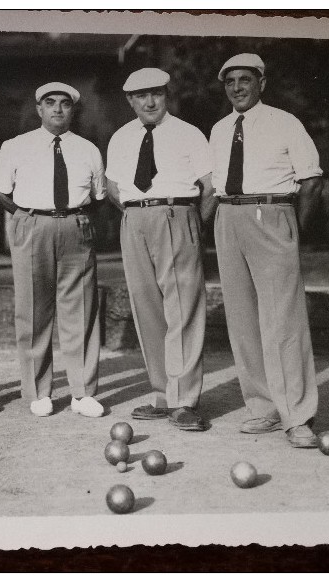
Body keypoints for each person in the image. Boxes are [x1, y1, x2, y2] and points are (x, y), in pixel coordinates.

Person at [207, 53, 323, 447]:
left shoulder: (285, 122)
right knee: (243, 320)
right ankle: (264, 408)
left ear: (262, 83)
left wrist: (293, 231)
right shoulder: (220, 129)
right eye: (230, 81)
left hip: (271, 214)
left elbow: (312, 181)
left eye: (245, 79)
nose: (237, 87)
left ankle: (298, 415)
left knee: (282, 321)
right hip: (229, 217)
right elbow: (214, 185)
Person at [0, 82, 106, 418]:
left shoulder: (88, 150)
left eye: (65, 104)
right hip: (31, 224)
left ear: (73, 109)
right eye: (50, 103)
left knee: (80, 308)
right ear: (39, 108)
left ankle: (83, 392)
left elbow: (98, 197)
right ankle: (39, 391)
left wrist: (72, 218)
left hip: (74, 225)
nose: (57, 109)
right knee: (32, 308)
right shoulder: (16, 146)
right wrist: (27, 214)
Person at [105, 68, 213, 432]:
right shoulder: (120, 137)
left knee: (181, 307)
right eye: (141, 95)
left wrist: (194, 222)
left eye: (156, 94)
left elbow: (210, 186)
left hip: (177, 213)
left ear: (166, 95)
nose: (149, 102)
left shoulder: (189, 133)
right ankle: (163, 395)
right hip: (135, 219)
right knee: (146, 307)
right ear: (130, 100)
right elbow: (113, 188)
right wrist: (137, 216)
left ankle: (184, 400)